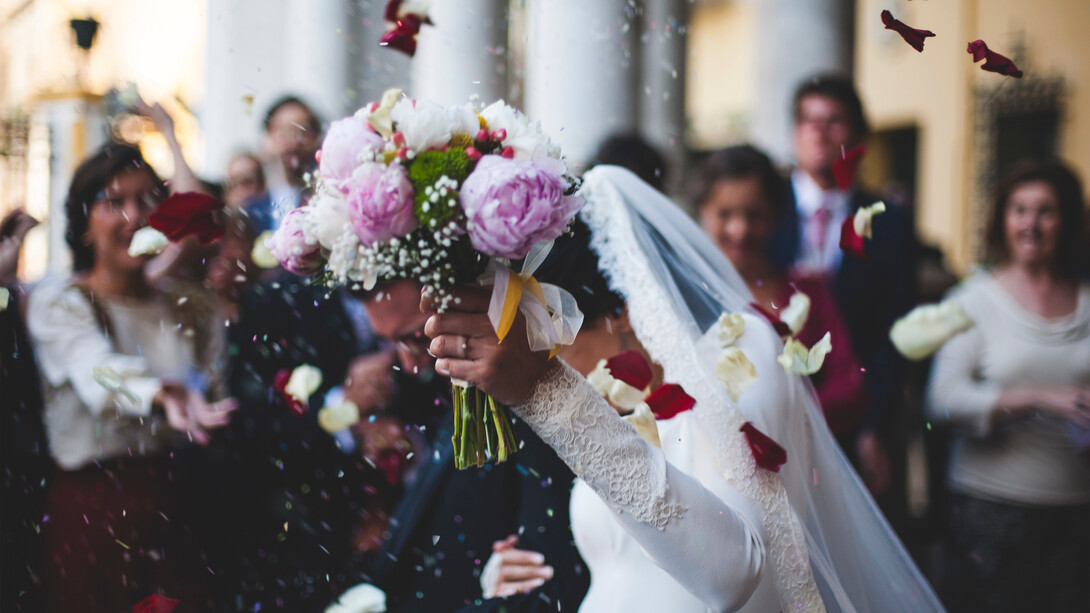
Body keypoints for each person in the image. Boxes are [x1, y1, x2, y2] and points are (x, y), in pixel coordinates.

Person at [428, 166, 944, 612]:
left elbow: (732, 574)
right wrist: (511, 578)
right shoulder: (626, 413)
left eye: (556, 346)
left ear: (622, 315)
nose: (558, 369)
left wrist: (552, 395)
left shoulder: (742, 354)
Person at [26, 143, 237, 612]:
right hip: (95, 508)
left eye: (147, 200)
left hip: (179, 501)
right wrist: (160, 393)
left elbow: (216, 387)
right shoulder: (62, 302)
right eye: (113, 202)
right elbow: (96, 371)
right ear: (83, 225)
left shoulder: (191, 303)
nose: (135, 216)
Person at [328, 280, 590, 612]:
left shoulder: (531, 396)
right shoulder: (426, 386)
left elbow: (554, 578)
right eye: (389, 343)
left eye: (415, 337)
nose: (407, 364)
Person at [926, 158, 1090, 613]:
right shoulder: (972, 301)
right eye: (1019, 209)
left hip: (1078, 510)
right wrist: (1041, 399)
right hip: (991, 512)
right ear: (1002, 218)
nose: (1031, 224)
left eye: (1045, 211)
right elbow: (942, 402)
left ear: (1067, 220)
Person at [766, 74, 918, 496]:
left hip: (858, 423)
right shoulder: (761, 210)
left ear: (856, 133)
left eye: (833, 120)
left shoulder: (889, 223)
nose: (818, 131)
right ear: (795, 132)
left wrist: (873, 426)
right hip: (771, 410)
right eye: (807, 120)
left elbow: (896, 333)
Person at [694, 145, 867, 437]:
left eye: (754, 215)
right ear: (702, 212)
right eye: (725, 214)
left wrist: (784, 416)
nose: (740, 229)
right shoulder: (685, 294)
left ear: (774, 215)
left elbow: (848, 384)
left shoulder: (808, 292)